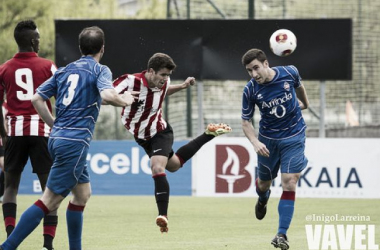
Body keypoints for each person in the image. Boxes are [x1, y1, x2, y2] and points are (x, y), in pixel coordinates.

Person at [0, 26, 135, 250]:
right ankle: (7, 246)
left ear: (80, 48)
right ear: (103, 48)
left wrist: (53, 124)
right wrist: (125, 99)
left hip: (57, 138)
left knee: (82, 194)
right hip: (75, 143)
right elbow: (107, 94)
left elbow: (36, 99)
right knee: (50, 200)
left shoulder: (64, 70)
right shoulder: (100, 70)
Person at [112, 52, 232, 233]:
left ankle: (163, 216)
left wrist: (182, 86)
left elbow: (163, 91)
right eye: (163, 75)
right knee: (174, 165)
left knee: (157, 167)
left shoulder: (163, 82)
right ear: (151, 71)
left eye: (168, 75)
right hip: (142, 136)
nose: (166, 79)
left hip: (160, 131)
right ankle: (209, 134)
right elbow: (106, 95)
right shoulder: (129, 82)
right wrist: (122, 98)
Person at [240, 49, 309, 250]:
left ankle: (281, 234)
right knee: (263, 184)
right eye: (249, 70)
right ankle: (262, 198)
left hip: (294, 136)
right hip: (268, 141)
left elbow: (299, 86)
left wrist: (305, 103)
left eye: (256, 68)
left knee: (290, 182)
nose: (253, 74)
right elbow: (245, 122)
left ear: (266, 63)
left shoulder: (290, 72)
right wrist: (255, 142)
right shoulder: (250, 90)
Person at [0, 20, 58, 250]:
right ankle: (47, 245)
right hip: (41, 132)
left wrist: (4, 136)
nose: (40, 42)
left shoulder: (4, 68)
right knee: (49, 190)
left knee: (10, 187)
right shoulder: (48, 66)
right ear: (33, 41)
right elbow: (61, 98)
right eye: (39, 39)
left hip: (15, 133)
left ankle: (11, 237)